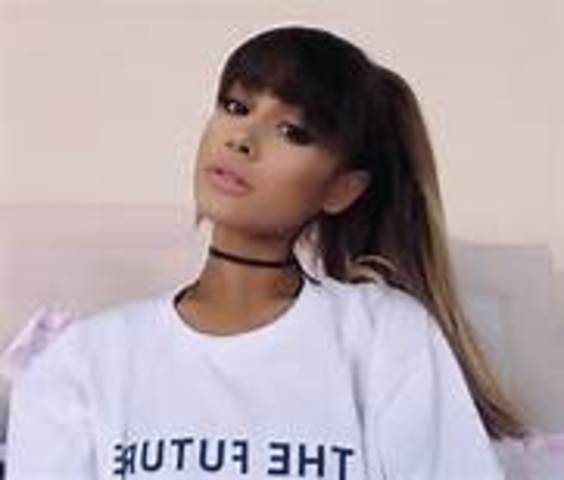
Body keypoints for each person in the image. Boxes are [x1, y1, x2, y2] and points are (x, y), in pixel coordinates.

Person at [5, 24, 529, 479]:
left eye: (292, 132)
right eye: (236, 106)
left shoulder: (383, 335)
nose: (242, 139)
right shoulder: (82, 359)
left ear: (341, 189)